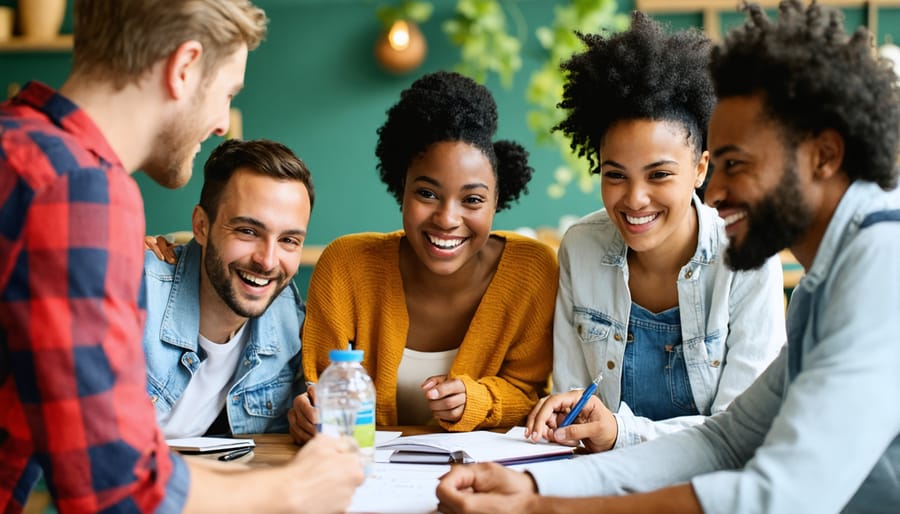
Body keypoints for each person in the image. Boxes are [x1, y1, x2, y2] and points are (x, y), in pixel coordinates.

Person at [435, 1, 900, 512]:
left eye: (735, 165)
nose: (715, 193)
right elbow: (726, 439)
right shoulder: (825, 279)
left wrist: (541, 509)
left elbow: (782, 496)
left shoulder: (885, 263)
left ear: (824, 156)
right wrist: (538, 486)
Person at [0, 1, 362, 513]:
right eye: (228, 93)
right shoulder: (80, 187)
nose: (220, 124)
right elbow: (113, 489)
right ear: (185, 66)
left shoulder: (18, 144)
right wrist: (295, 489)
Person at [523, 10, 785, 452]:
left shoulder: (748, 258)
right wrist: (563, 419)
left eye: (659, 174)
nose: (635, 199)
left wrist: (621, 434)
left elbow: (745, 434)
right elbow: (574, 410)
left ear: (700, 167)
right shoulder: (580, 248)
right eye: (615, 174)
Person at [288, 70, 558, 442]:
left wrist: (479, 400)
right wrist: (308, 412)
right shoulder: (346, 265)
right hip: (363, 476)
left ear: (497, 202)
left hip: (482, 481)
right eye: (427, 194)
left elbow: (532, 394)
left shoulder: (533, 270)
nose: (447, 219)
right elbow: (317, 386)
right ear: (402, 188)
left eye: (473, 200)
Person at [142, 138, 311, 438]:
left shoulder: (286, 312)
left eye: (288, 240)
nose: (268, 261)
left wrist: (308, 419)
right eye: (248, 231)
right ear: (201, 227)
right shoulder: (135, 294)